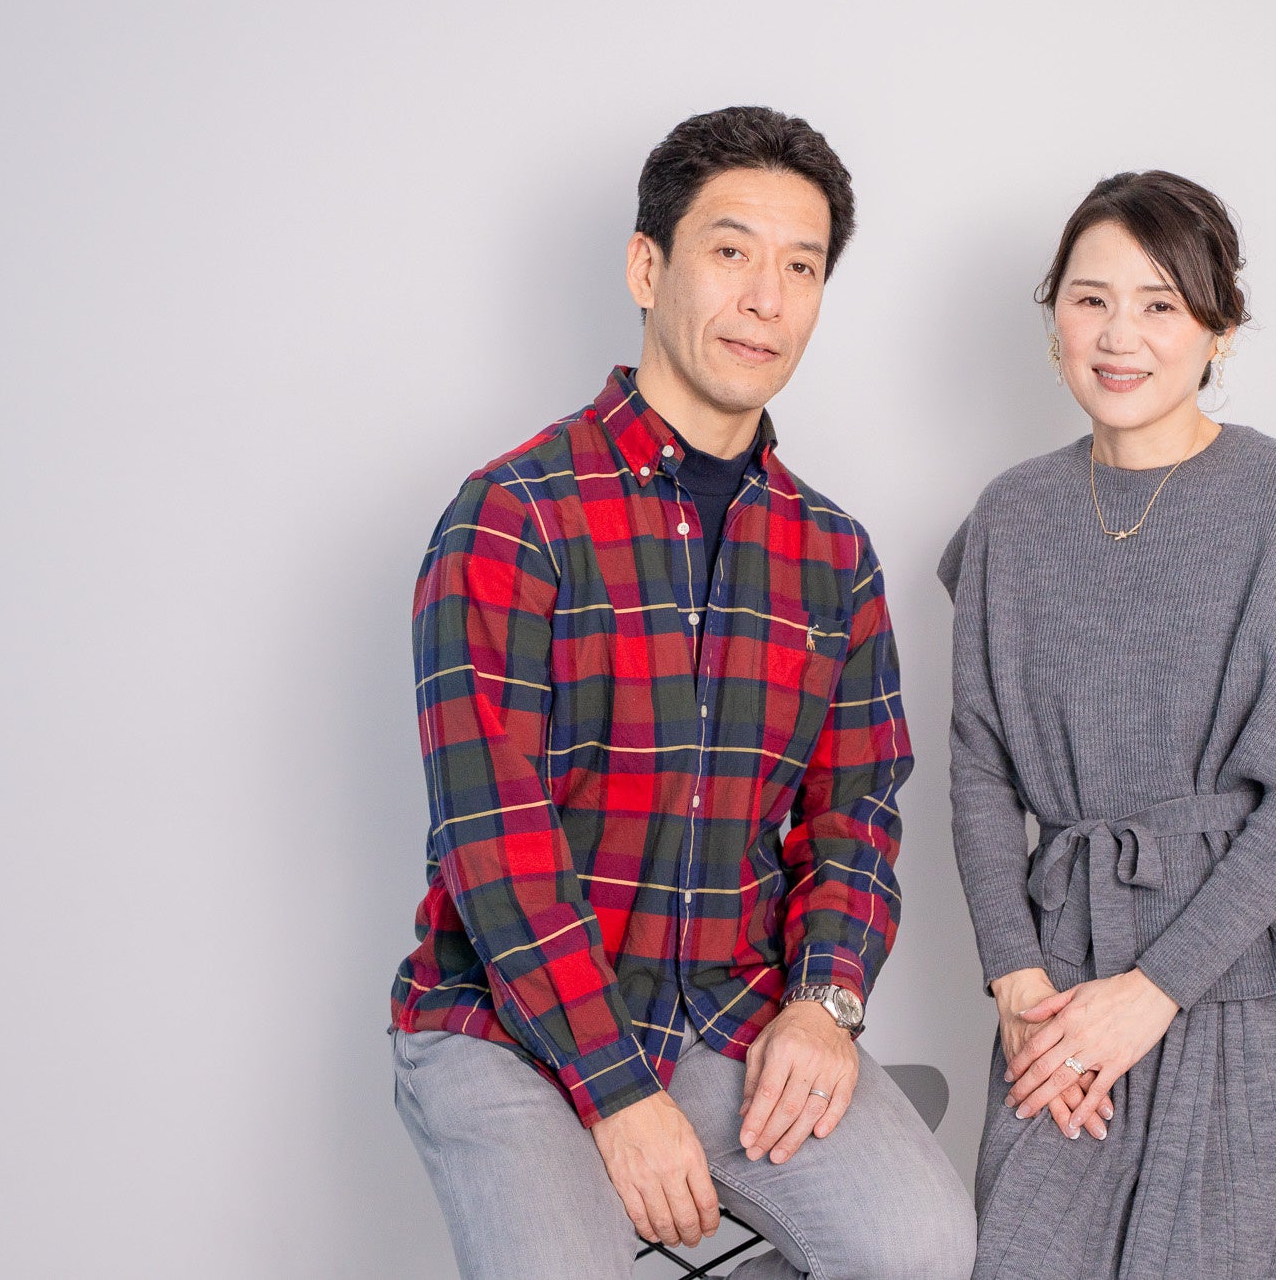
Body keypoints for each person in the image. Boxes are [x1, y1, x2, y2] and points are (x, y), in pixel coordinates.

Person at [391, 105, 975, 1280]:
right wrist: (615, 1093)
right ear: (646, 268)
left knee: (922, 1253)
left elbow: (854, 820)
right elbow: (492, 842)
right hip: (512, 1019)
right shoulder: (514, 516)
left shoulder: (833, 556)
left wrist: (825, 1003)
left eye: (800, 267)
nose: (765, 298)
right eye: (730, 250)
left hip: (728, 1013)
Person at [940, 170, 1276, 1278]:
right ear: (1053, 315)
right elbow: (977, 766)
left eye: (1159, 304)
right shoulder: (1010, 517)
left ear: (1217, 329)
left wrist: (1153, 993)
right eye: (1090, 299)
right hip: (1069, 961)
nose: (1120, 336)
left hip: (1275, 962)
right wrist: (1016, 978)